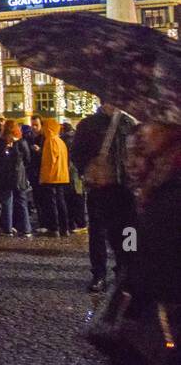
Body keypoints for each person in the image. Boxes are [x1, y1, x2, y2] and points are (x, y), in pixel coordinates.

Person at [97, 121, 181, 365]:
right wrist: (112, 194)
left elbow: (142, 262)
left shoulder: (173, 193)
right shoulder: (159, 187)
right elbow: (132, 251)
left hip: (161, 346)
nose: (142, 135)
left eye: (151, 133)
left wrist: (113, 196)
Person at [71, 104, 136, 293]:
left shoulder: (128, 123)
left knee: (129, 230)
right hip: (100, 188)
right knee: (98, 231)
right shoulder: (88, 124)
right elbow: (76, 153)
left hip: (125, 187)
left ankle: (125, 268)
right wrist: (88, 168)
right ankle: (99, 273)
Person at [0, 120, 34, 237]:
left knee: (7, 201)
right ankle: (26, 229)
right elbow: (28, 159)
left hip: (4, 175)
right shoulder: (21, 142)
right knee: (21, 201)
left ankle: (8, 228)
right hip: (19, 176)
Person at [34, 115, 72, 237]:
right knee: (61, 202)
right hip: (62, 176)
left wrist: (43, 177)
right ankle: (64, 227)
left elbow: (49, 161)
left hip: (52, 177)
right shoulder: (60, 141)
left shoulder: (50, 141)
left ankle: (54, 227)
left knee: (52, 203)